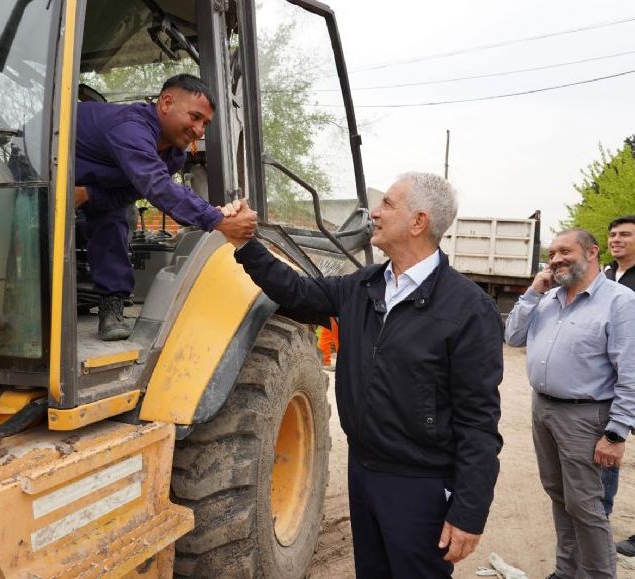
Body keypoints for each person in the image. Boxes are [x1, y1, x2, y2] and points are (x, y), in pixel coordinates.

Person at [224, 173, 504, 578]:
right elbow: (296, 292)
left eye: (388, 204)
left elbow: (479, 421)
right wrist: (245, 244)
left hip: (419, 485)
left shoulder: (468, 308)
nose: (374, 212)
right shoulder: (365, 285)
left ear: (418, 221)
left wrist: (469, 512)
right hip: (364, 473)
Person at [74, 74, 256, 340]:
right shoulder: (130, 128)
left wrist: (89, 194)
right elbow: (158, 186)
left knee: (114, 219)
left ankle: (111, 306)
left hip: (93, 185)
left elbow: (133, 193)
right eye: (195, 117)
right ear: (166, 103)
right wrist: (217, 219)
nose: (199, 131)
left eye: (205, 124)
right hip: (41, 167)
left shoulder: (174, 156)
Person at [505, 228, 635, 579]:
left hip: (585, 415)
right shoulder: (547, 297)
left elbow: (631, 370)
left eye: (566, 251)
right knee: (559, 495)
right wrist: (532, 292)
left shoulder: (620, 301)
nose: (556, 259)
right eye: (552, 253)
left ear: (592, 252)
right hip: (543, 409)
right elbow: (512, 337)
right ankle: (567, 571)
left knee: (585, 505)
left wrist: (616, 433)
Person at [599, 215, 635, 555]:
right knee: (609, 444)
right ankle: (601, 515)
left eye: (625, 234)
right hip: (609, 382)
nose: (616, 239)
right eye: (613, 234)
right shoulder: (606, 276)